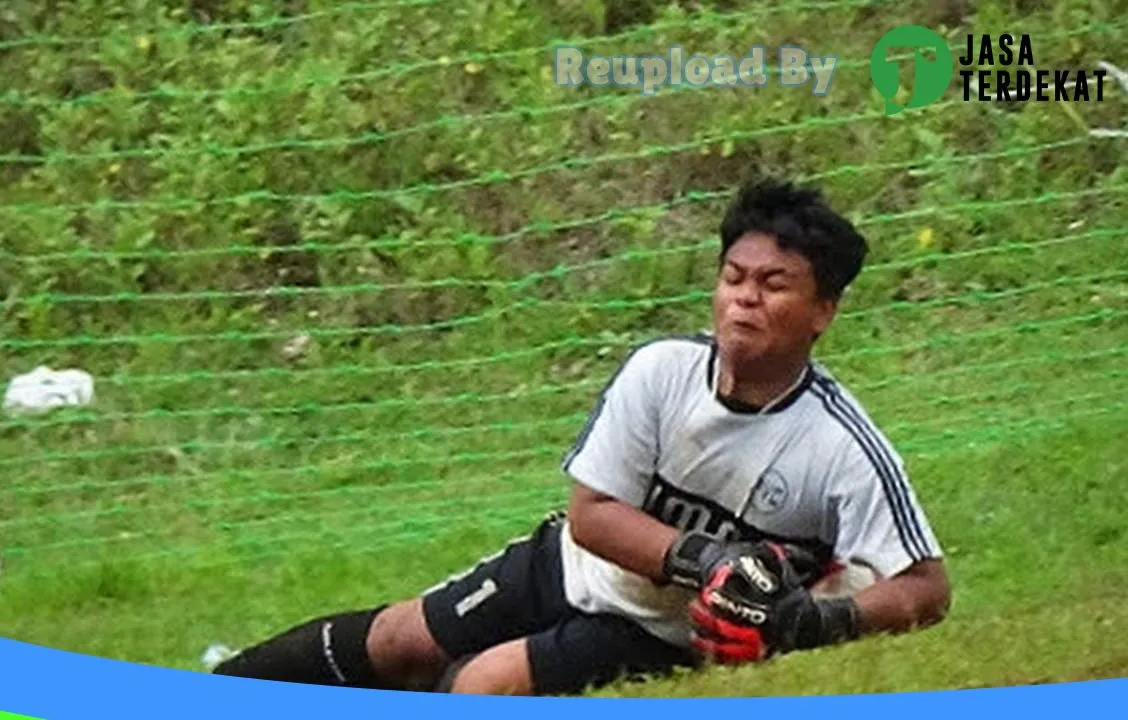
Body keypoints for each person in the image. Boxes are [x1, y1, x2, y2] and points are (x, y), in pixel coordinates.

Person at [211, 178, 952, 695]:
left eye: (774, 285)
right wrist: (709, 558)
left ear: (823, 310)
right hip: (570, 563)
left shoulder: (842, 446)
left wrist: (815, 621)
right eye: (733, 277)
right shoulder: (661, 371)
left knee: (479, 684)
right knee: (402, 642)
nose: (745, 298)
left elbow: (927, 587)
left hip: (656, 633)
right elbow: (592, 513)